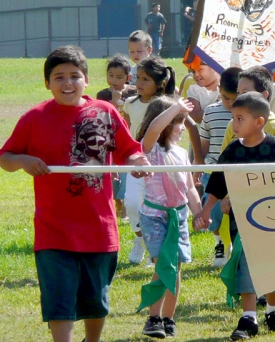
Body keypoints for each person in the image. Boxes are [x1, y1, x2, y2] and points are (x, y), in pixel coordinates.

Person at [0, 46, 148, 342]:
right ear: (47, 83)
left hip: (98, 226)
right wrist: (24, 161)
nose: (67, 83)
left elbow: (130, 150)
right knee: (59, 300)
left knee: (97, 301)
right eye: (59, 77)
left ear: (86, 80)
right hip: (53, 229)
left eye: (74, 76)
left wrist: (137, 163)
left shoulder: (104, 113)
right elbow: (6, 156)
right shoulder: (34, 118)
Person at [195, 93, 275, 340]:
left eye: (239, 118)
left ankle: (273, 309)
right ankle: (249, 317)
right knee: (245, 263)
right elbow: (218, 182)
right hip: (243, 221)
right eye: (232, 118)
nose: (234, 124)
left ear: (259, 122)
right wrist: (205, 211)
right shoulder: (232, 151)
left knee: (271, 265)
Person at [137, 96, 204, 339]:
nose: (182, 127)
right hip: (155, 217)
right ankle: (153, 317)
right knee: (163, 264)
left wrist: (198, 212)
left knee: (174, 268)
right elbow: (153, 130)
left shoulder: (180, 154)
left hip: (179, 217)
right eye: (178, 122)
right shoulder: (151, 149)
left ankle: (168, 319)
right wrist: (175, 107)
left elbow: (190, 188)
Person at [123, 55, 178, 265]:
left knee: (159, 207)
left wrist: (197, 157)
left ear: (160, 82)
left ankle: (156, 250)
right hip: (137, 161)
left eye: (146, 79)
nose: (139, 83)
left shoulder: (167, 104)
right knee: (132, 203)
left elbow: (188, 126)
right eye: (138, 78)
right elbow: (125, 131)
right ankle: (140, 239)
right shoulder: (129, 103)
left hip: (161, 163)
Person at [199, 66, 242, 268]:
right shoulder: (210, 112)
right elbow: (203, 145)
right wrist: (197, 168)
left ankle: (234, 244)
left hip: (236, 173)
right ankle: (219, 243)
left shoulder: (246, 114)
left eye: (236, 98)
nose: (231, 104)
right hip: (213, 172)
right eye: (226, 98)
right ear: (219, 92)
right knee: (215, 215)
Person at [96, 54, 138, 221]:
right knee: (112, 175)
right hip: (108, 141)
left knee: (128, 174)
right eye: (110, 75)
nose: (114, 80)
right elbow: (104, 117)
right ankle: (118, 204)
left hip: (128, 138)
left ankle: (127, 209)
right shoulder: (102, 95)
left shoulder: (134, 93)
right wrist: (113, 101)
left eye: (119, 77)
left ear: (129, 77)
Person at [220, 66, 275, 151]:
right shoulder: (233, 125)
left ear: (264, 96)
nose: (239, 97)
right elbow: (223, 161)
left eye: (244, 93)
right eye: (238, 92)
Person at [186, 59, 221, 124]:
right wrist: (218, 110)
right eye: (193, 71)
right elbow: (194, 115)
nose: (196, 75)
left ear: (213, 67)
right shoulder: (194, 90)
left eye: (200, 69)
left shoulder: (226, 86)